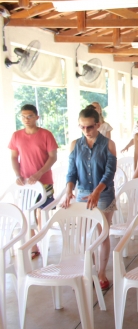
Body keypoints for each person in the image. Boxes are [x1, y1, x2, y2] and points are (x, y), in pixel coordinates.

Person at [62, 106, 117, 290]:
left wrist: (97, 191)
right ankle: (90, 269)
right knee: (83, 235)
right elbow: (71, 173)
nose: (86, 131)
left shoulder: (108, 144)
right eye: (83, 127)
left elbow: (110, 173)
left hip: (103, 193)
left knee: (102, 233)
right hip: (83, 193)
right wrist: (69, 190)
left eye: (90, 127)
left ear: (98, 125)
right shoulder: (75, 145)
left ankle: (101, 272)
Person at [9, 104, 58, 259]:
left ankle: (42, 240)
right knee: (27, 213)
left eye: (29, 116)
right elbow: (13, 157)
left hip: (44, 180)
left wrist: (39, 173)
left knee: (42, 213)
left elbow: (53, 157)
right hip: (26, 183)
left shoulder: (46, 134)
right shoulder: (16, 135)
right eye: (23, 116)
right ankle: (33, 246)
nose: (26, 119)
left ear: (37, 117)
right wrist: (18, 175)